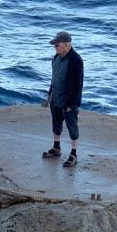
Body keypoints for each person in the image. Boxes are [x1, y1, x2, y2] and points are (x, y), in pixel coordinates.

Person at [41, 30, 83, 167]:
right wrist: (50, 94)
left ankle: (73, 154)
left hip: (69, 101)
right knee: (56, 123)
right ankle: (56, 147)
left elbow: (78, 84)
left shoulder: (76, 60)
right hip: (56, 98)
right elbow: (54, 78)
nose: (55, 47)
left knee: (72, 126)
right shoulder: (56, 58)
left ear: (66, 45)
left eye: (57, 45)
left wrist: (71, 103)